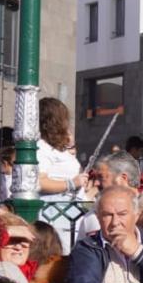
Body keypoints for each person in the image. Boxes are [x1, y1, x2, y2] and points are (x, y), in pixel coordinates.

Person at [34, 98, 91, 252]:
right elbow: (39, 182)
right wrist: (71, 184)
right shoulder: (42, 147)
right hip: (56, 215)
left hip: (72, 213)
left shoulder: (58, 148)